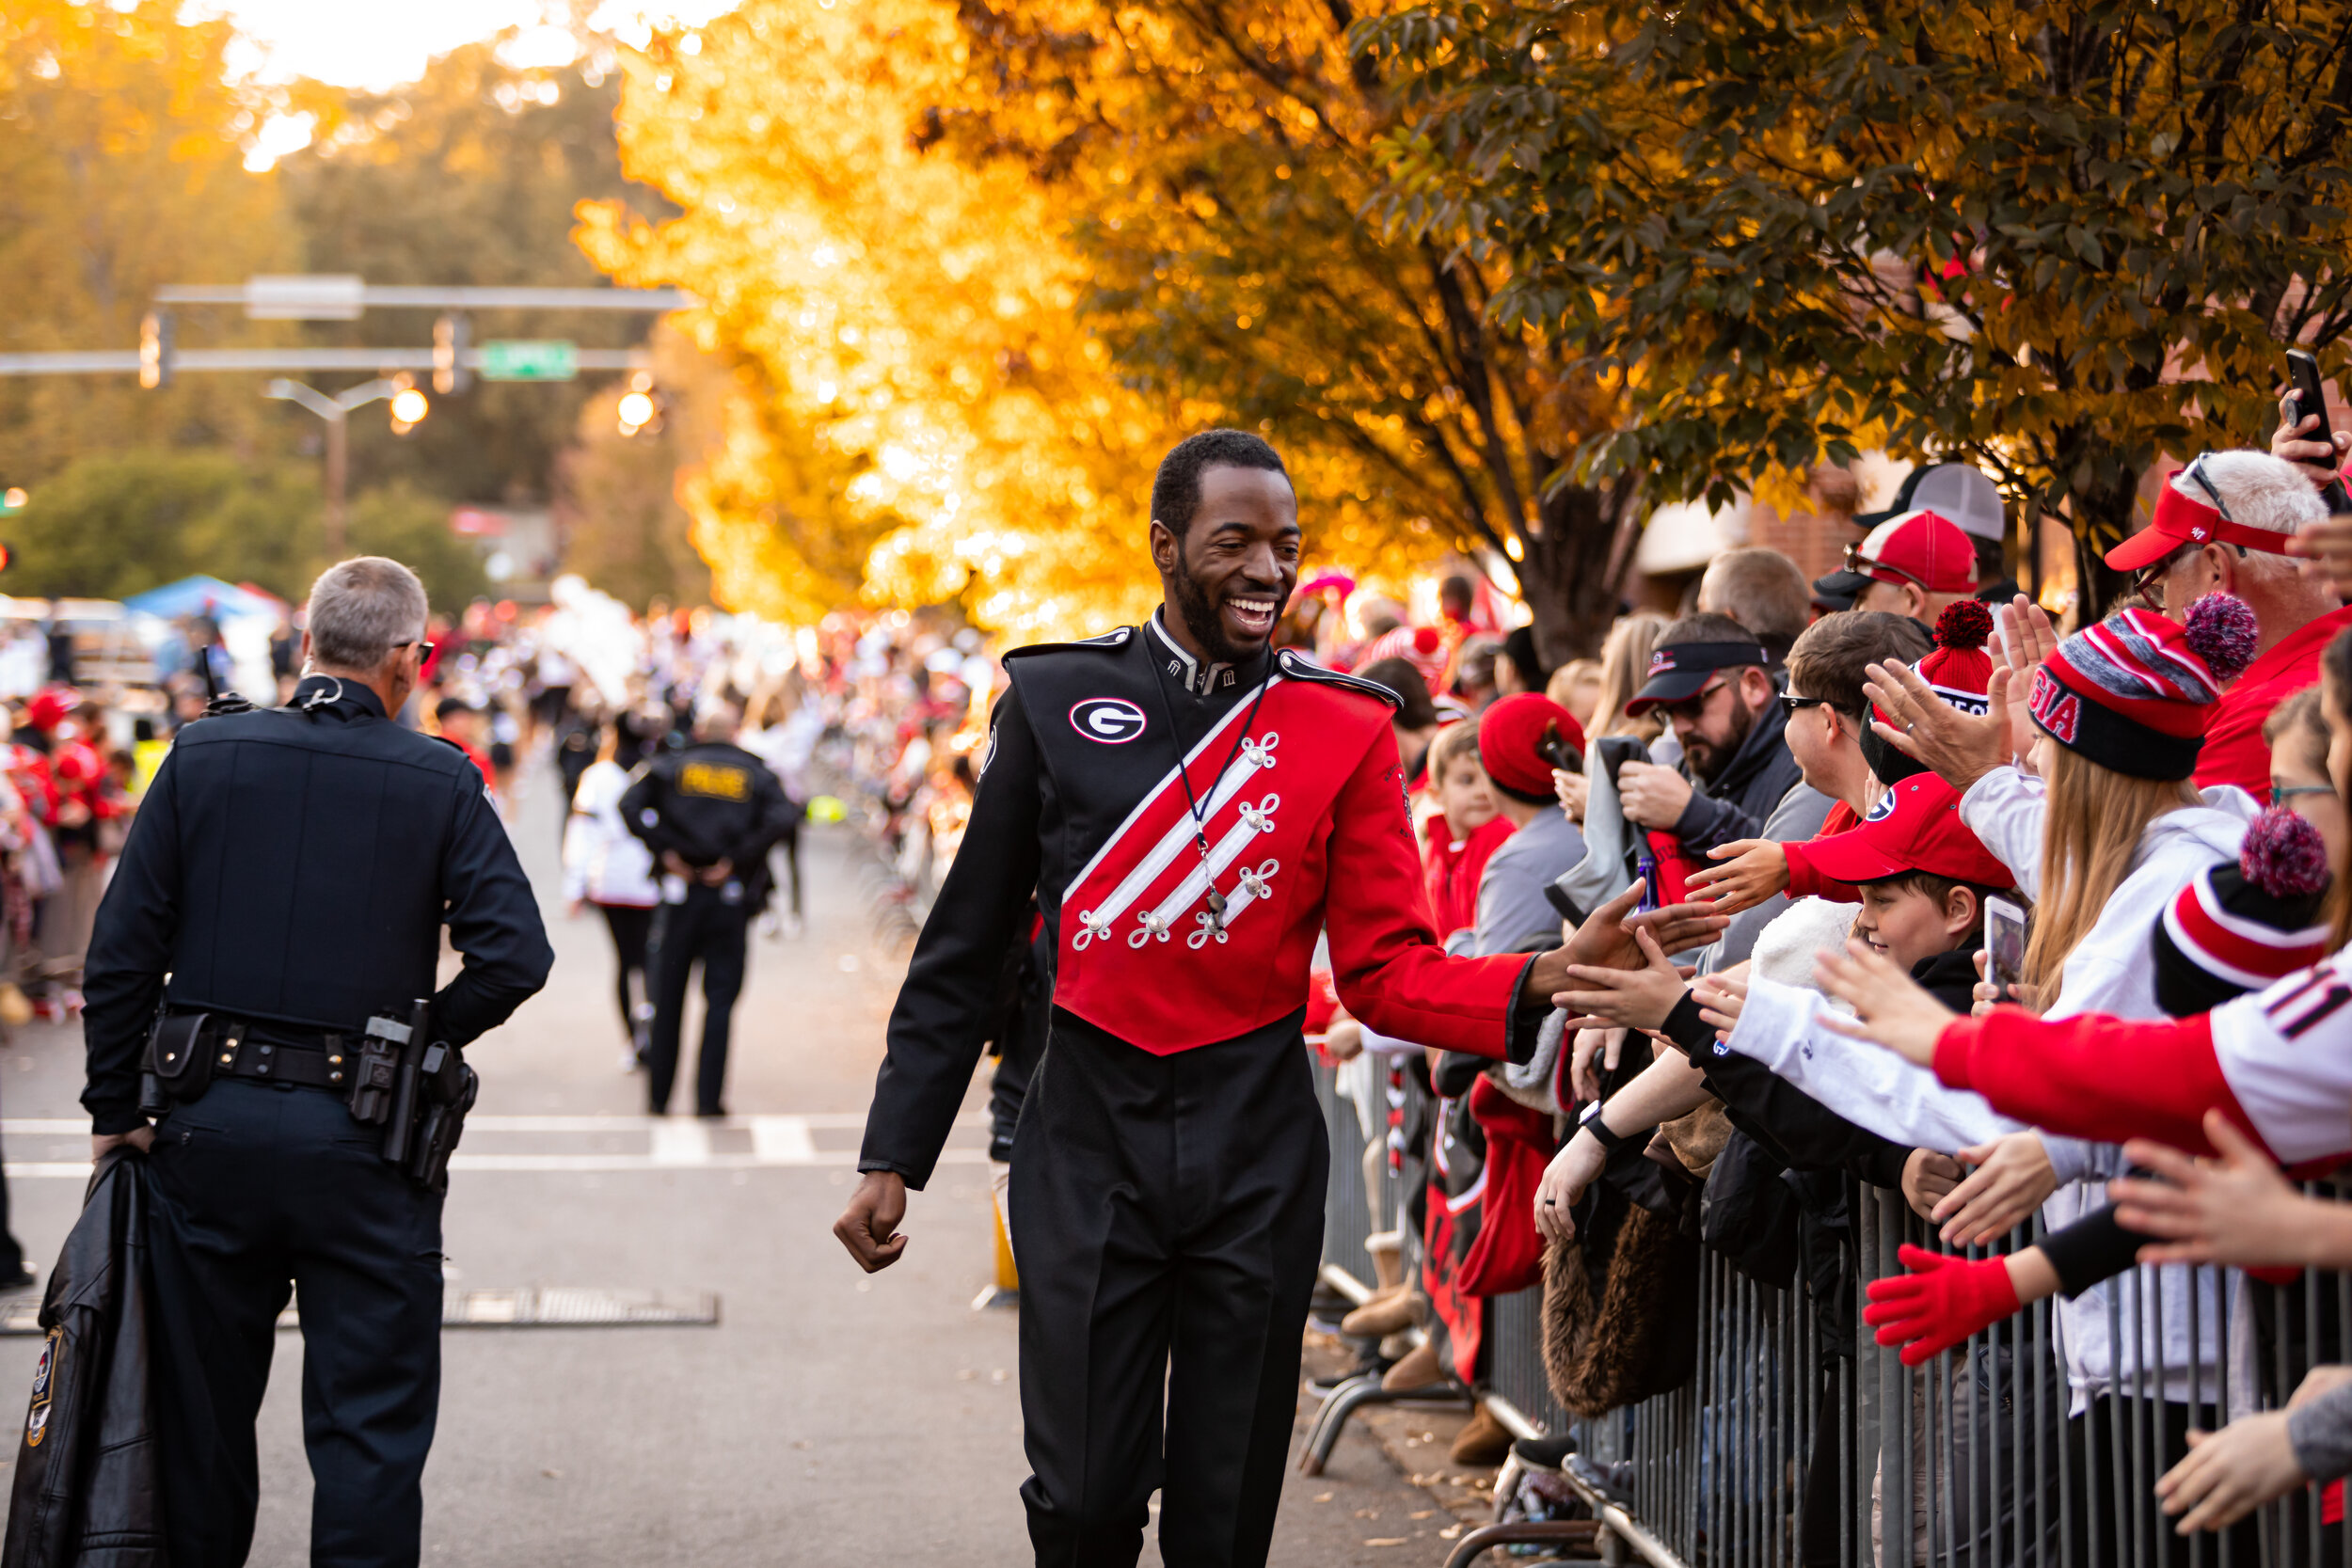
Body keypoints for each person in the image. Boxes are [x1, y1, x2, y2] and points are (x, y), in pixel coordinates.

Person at [834, 428, 1724, 1566]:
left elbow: (1389, 971)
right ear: (1165, 545)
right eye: (1235, 542)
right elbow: (964, 950)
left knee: (1225, 1512)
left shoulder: (1340, 725)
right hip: (1086, 1137)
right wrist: (889, 1156)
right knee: (1085, 1493)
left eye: (1285, 546)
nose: (1268, 570)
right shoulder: (1056, 696)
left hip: (1254, 1152)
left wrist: (1546, 971)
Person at [79, 556, 552, 1568]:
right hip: (365, 1138)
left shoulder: (201, 754)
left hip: (204, 1128)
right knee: (369, 1438)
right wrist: (424, 1038)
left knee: (198, 1430)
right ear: (406, 660)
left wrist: (113, 1105)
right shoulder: (440, 773)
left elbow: (120, 952)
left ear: (306, 646)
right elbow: (516, 955)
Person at [2100, 450, 2351, 802]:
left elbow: (2122, 851)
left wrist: (2012, 768)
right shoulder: (2327, 673)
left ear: (2216, 570)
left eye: (2161, 581)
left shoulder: (2266, 718)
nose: (2164, 613)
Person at [620, 699, 799, 1117]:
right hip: (728, 898)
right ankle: (708, 1100)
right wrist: (738, 858)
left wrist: (665, 850)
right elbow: (784, 815)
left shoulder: (672, 766)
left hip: (680, 896)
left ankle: (659, 1097)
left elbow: (628, 805)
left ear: (699, 731)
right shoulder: (754, 771)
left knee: (667, 999)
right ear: (734, 732)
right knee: (720, 1002)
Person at [563, 722, 662, 1069]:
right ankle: (651, 1034)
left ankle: (634, 1039)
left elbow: (581, 832)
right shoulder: (657, 767)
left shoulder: (598, 776)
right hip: (652, 878)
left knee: (626, 962)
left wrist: (575, 885)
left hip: (615, 879)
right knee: (650, 961)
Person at [1808, 509, 1979, 626]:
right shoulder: (1992, 670)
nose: (1852, 612)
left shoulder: (1870, 674)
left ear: (1911, 602)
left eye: (1862, 599)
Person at [1694, 546, 1812, 665]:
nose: (1696, 625)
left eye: (1702, 611)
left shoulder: (1723, 680)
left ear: (1727, 623)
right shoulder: (1823, 672)